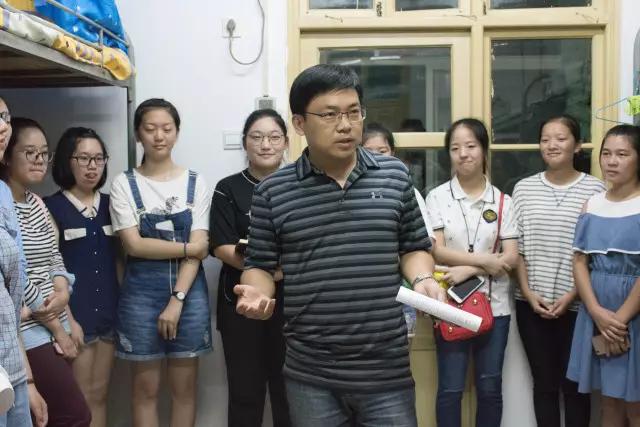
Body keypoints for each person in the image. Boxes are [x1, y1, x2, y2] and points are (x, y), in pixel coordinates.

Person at [234, 64, 445, 427]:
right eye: (330, 115)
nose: (346, 125)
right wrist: (257, 294)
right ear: (299, 123)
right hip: (311, 373)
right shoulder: (273, 191)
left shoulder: (394, 176)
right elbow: (260, 265)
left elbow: (413, 246)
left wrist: (423, 277)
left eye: (353, 112)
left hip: (386, 369)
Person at [109, 98, 211, 427]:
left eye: (167, 128)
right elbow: (134, 245)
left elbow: (201, 249)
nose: (159, 136)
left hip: (188, 294)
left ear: (177, 133)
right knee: (145, 390)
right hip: (140, 296)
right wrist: (188, 248)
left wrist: (177, 299)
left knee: (185, 390)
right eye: (150, 128)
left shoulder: (196, 181)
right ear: (138, 134)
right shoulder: (124, 183)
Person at [424, 118, 519, 427]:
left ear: (484, 149)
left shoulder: (503, 201)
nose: (463, 154)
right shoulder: (437, 197)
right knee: (450, 390)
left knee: (490, 389)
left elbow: (511, 257)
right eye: (455, 148)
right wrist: (485, 262)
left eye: (470, 146)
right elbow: (436, 251)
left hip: (495, 307)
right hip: (449, 305)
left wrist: (469, 267)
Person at [513, 115, 604, 427]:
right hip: (530, 304)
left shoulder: (596, 190)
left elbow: (595, 255)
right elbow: (517, 249)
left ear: (577, 145)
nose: (551, 145)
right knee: (544, 386)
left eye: (561, 138)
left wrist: (573, 295)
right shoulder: (523, 189)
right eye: (545, 139)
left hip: (579, 305)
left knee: (576, 387)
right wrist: (527, 292)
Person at [0, 117, 91, 426]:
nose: (39, 160)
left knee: (51, 416)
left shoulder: (37, 202)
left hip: (54, 315)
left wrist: (64, 294)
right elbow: (17, 276)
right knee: (75, 415)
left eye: (43, 153)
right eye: (30, 153)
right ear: (7, 156)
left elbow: (53, 255)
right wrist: (58, 329)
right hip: (28, 327)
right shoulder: (4, 206)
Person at [210, 109, 291, 427]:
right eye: (256, 137)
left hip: (293, 303)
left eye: (274, 137)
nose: (265, 144)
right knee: (245, 392)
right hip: (240, 302)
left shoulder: (301, 186)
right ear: (245, 142)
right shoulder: (228, 188)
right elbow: (221, 246)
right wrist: (269, 270)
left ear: (286, 142)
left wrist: (283, 272)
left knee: (289, 391)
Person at [45, 127, 119, 427]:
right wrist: (68, 320)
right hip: (74, 317)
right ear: (67, 160)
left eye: (98, 159)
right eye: (84, 158)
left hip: (109, 315)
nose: (92, 166)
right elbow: (49, 268)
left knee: (100, 394)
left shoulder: (113, 204)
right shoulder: (51, 207)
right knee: (79, 400)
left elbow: (121, 262)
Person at [567, 124, 640, 427]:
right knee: (608, 402)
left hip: (632, 313)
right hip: (596, 311)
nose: (612, 161)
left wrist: (619, 320)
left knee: (636, 405)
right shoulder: (593, 204)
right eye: (606, 153)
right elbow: (580, 261)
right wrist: (596, 312)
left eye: (622, 154)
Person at [0, 97, 47, 427]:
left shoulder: (3, 194)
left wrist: (27, 381)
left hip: (10, 363)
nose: (2, 127)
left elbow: (14, 284)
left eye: (4, 116)